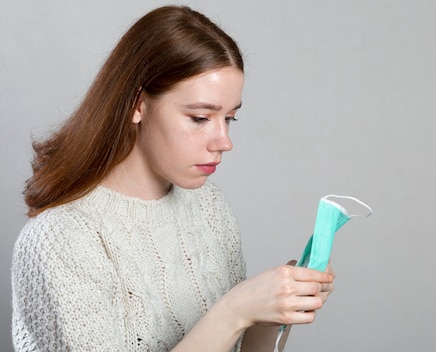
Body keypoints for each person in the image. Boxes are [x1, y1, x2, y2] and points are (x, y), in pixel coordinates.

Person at [11, 5, 335, 352]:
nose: (224, 141)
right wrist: (235, 310)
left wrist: (270, 311)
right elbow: (228, 320)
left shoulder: (209, 208)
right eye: (199, 117)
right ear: (137, 104)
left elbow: (241, 348)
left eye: (230, 118)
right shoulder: (60, 239)